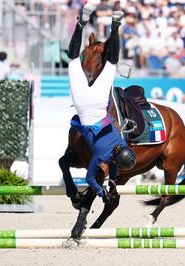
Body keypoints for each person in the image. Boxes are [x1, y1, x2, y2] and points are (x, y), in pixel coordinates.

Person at [67, 3, 136, 203]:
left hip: (98, 104)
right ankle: (83, 24)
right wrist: (102, 192)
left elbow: (119, 128)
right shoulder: (100, 155)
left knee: (111, 62)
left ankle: (114, 25)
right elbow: (90, 178)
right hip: (82, 105)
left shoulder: (120, 140)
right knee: (73, 61)